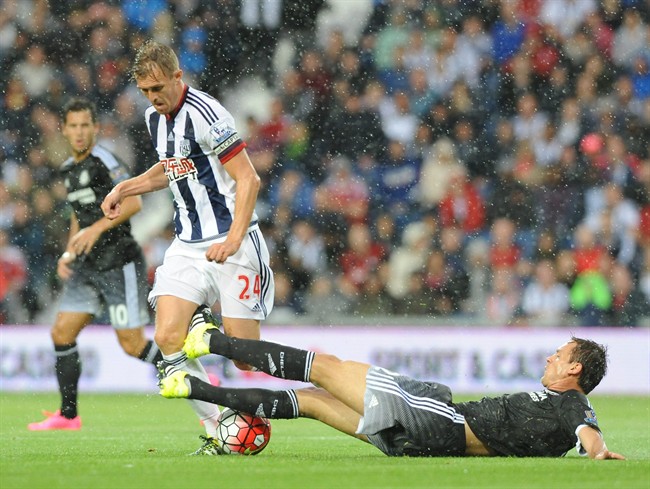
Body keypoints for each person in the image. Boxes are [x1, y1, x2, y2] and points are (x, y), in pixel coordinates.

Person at [100, 41, 275, 454]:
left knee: (246, 358)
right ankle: (219, 429)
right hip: (188, 244)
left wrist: (233, 238)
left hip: (235, 241)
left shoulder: (208, 115)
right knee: (166, 337)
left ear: (179, 77)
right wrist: (128, 187)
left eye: (158, 87)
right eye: (144, 90)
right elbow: (175, 167)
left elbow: (248, 179)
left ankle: (207, 327)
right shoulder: (154, 118)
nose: (153, 97)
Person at [160, 322, 624, 460]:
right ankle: (192, 386)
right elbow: (578, 434)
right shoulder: (563, 415)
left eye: (559, 355)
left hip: (437, 417)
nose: (549, 357)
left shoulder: (572, 402)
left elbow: (587, 431)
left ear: (575, 368)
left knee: (325, 368)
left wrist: (598, 451)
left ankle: (210, 340)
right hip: (429, 447)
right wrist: (589, 448)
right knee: (317, 404)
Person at [28, 98, 158, 431]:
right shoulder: (69, 168)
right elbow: (78, 213)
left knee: (132, 344)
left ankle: (192, 372)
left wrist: (97, 228)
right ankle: (69, 416)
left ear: (96, 128)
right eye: (73, 125)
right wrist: (70, 251)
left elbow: (134, 203)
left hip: (118, 261)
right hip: (87, 266)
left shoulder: (106, 160)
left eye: (85, 125)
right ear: (65, 130)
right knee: (61, 332)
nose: (80, 132)